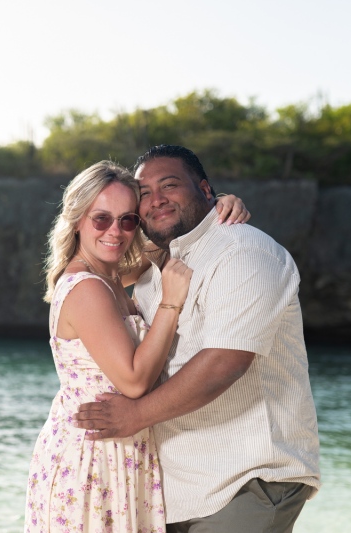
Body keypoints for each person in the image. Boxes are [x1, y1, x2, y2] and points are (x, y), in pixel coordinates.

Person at [73, 145, 321, 533]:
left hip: (246, 479)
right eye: (144, 193)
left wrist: (135, 415)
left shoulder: (244, 251)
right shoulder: (153, 271)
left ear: (206, 190)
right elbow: (91, 268)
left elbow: (225, 361)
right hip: (171, 488)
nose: (156, 200)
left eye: (170, 185)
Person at [24, 160, 249, 532]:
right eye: (101, 219)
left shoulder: (109, 274)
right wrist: (170, 304)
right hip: (93, 459)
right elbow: (133, 381)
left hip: (120, 452)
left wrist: (220, 204)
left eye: (127, 219)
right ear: (77, 219)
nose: (116, 231)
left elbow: (170, 237)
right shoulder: (87, 288)